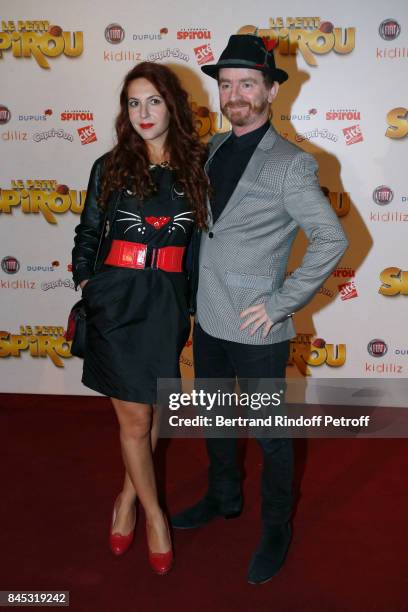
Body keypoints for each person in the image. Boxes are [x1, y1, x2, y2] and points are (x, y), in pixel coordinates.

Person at [171, 35, 349, 584]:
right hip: (209, 319)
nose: (235, 94)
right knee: (217, 418)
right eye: (226, 85)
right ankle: (224, 498)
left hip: (257, 325)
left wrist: (280, 303)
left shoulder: (292, 164)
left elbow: (330, 240)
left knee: (270, 433)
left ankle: (276, 526)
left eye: (248, 83)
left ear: (271, 90)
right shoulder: (213, 148)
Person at [71, 61, 208, 575]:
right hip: (117, 298)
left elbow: (198, 242)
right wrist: (89, 282)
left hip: (166, 301)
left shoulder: (197, 164)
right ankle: (152, 514)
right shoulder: (109, 166)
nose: (144, 112)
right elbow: (87, 232)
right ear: (125, 111)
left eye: (153, 100)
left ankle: (125, 498)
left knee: (149, 410)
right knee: (133, 419)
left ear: (172, 103)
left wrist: (190, 301)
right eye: (134, 102)